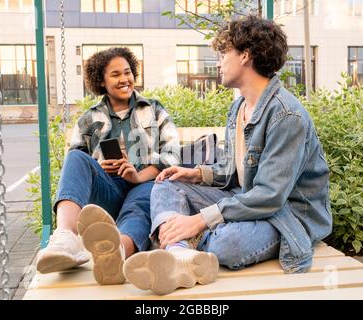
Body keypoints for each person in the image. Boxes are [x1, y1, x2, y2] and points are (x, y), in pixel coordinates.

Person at [123, 15, 333, 295]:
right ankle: (179, 254)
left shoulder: (286, 115)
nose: (218, 62)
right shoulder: (239, 108)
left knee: (227, 244)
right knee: (166, 184)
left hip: (287, 216)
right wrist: (196, 174)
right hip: (245, 200)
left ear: (245, 55)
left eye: (223, 54)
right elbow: (233, 170)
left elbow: (270, 196)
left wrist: (198, 220)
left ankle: (178, 247)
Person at [36, 47, 181, 285]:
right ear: (101, 81)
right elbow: (77, 168)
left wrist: (137, 175)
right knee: (75, 158)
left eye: (127, 72)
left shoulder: (153, 109)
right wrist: (99, 167)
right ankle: (66, 238)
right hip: (107, 191)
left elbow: (172, 153)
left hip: (143, 185)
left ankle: (117, 256)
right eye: (115, 75)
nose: (124, 79)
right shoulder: (88, 119)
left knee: (143, 201)